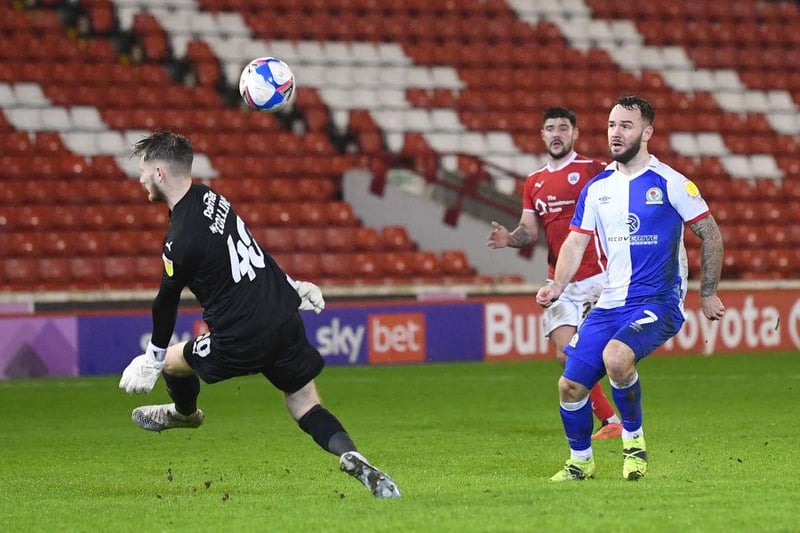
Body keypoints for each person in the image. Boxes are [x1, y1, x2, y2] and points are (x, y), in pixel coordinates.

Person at [118, 131, 400, 498]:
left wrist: (152, 359)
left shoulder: (179, 238)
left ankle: (184, 414)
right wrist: (292, 287)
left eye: (142, 171)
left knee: (174, 363)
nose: (139, 178)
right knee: (303, 401)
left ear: (159, 173)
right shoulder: (213, 199)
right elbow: (253, 251)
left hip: (239, 337)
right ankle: (352, 455)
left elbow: (166, 300)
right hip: (281, 317)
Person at [537, 95, 726, 481]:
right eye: (611, 126)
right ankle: (580, 463)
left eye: (626, 126)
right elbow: (576, 240)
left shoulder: (671, 183)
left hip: (659, 301)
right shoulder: (597, 187)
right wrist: (558, 284)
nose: (616, 133)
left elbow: (711, 234)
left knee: (617, 357)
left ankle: (634, 444)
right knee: (570, 385)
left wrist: (707, 292)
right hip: (611, 303)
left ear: (647, 132)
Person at [487, 107, 623, 440]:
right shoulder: (534, 182)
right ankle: (611, 422)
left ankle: (614, 421)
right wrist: (509, 239)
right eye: (550, 128)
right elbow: (530, 231)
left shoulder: (594, 169)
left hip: (597, 276)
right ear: (543, 135)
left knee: (598, 353)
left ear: (575, 133)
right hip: (559, 280)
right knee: (565, 356)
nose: (557, 133)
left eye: (563, 127)